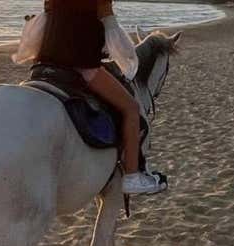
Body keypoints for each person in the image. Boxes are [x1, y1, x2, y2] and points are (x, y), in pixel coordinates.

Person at [37, 0, 166, 195]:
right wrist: (127, 57)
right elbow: (110, 25)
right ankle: (132, 176)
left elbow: (43, 20)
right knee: (131, 108)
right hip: (81, 64)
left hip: (45, 61)